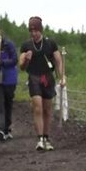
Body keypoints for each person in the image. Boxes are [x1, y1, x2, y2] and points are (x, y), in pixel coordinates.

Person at [18, 16, 66, 151]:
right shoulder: (26, 45)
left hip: (47, 78)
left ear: (41, 30)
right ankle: (39, 139)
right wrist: (26, 59)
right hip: (34, 77)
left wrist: (62, 76)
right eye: (31, 31)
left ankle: (46, 137)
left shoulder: (50, 44)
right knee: (37, 107)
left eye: (36, 30)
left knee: (47, 109)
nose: (33, 33)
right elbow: (21, 66)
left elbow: (58, 61)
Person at [0, 22, 18, 141]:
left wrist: (2, 63)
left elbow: (15, 59)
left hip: (9, 78)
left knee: (8, 103)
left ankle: (7, 128)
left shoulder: (8, 44)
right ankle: (0, 129)